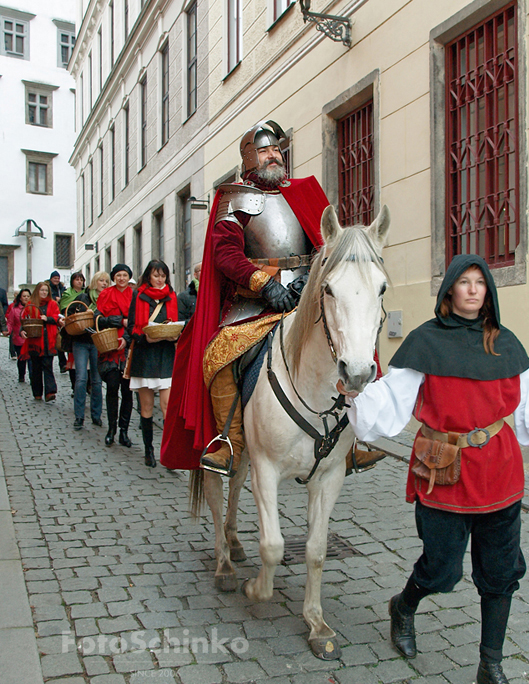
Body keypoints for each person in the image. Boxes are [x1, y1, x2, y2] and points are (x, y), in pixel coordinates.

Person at [339, 254, 529, 684]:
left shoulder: (506, 344)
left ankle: (492, 667)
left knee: (501, 575)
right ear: (449, 290)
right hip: (443, 470)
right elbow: (393, 397)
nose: (472, 289)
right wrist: (358, 400)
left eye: (479, 282)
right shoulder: (425, 341)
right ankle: (403, 606)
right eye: (463, 282)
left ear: (488, 291)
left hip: (501, 474)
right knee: (442, 570)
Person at [161, 119, 385, 476]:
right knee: (217, 356)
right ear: (249, 157)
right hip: (252, 306)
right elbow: (225, 253)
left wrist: (308, 281)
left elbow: (327, 246)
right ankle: (228, 442)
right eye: (264, 150)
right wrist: (265, 284)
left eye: (276, 150)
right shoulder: (234, 198)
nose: (273, 156)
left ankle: (354, 440)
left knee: (353, 338)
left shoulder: (304, 194)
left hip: (305, 298)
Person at [125, 260, 178, 467]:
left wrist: (173, 334)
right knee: (146, 408)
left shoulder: (171, 296)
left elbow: (175, 322)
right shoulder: (138, 295)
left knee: (167, 407)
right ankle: (149, 450)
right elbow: (132, 327)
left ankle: (168, 452)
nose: (160, 279)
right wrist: (145, 338)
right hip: (145, 356)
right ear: (148, 276)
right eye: (156, 275)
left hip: (165, 355)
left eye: (163, 276)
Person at [96, 264, 134, 449]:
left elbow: (137, 322)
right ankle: (111, 429)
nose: (121, 278)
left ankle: (124, 432)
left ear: (129, 277)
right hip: (110, 347)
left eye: (124, 275)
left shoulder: (134, 296)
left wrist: (126, 339)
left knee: (127, 392)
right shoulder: (105, 294)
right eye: (118, 275)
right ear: (113, 277)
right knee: (112, 388)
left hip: (128, 349)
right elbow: (98, 319)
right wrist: (118, 320)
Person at [66, 272, 107, 430]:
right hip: (81, 341)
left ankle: (96, 415)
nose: (104, 283)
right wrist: (84, 315)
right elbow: (70, 315)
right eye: (101, 281)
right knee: (81, 379)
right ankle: (79, 416)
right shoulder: (84, 298)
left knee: (97, 380)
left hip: (98, 341)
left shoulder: (106, 299)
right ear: (95, 282)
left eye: (106, 281)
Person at [21, 281, 60, 401]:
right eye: (42, 290)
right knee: (36, 367)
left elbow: (56, 317)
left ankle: (50, 391)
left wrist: (47, 319)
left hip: (49, 339)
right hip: (35, 341)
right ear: (37, 291)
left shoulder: (52, 304)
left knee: (48, 365)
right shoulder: (31, 304)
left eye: (46, 291)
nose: (44, 293)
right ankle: (37, 392)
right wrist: (22, 331)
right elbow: (24, 320)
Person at [59, 272, 86, 392]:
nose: (79, 282)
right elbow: (64, 308)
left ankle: (87, 385)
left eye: (81, 279)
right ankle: (74, 386)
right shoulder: (67, 293)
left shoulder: (87, 293)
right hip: (72, 327)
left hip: (85, 326)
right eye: (77, 280)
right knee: (73, 360)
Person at [6, 288, 31, 382]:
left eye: (28, 296)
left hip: (31, 338)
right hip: (19, 339)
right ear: (20, 298)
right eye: (24, 296)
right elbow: (10, 322)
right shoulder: (14, 309)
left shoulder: (33, 308)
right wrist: (7, 331)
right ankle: (21, 375)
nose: (26, 298)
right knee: (21, 359)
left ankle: (33, 377)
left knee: (31, 360)